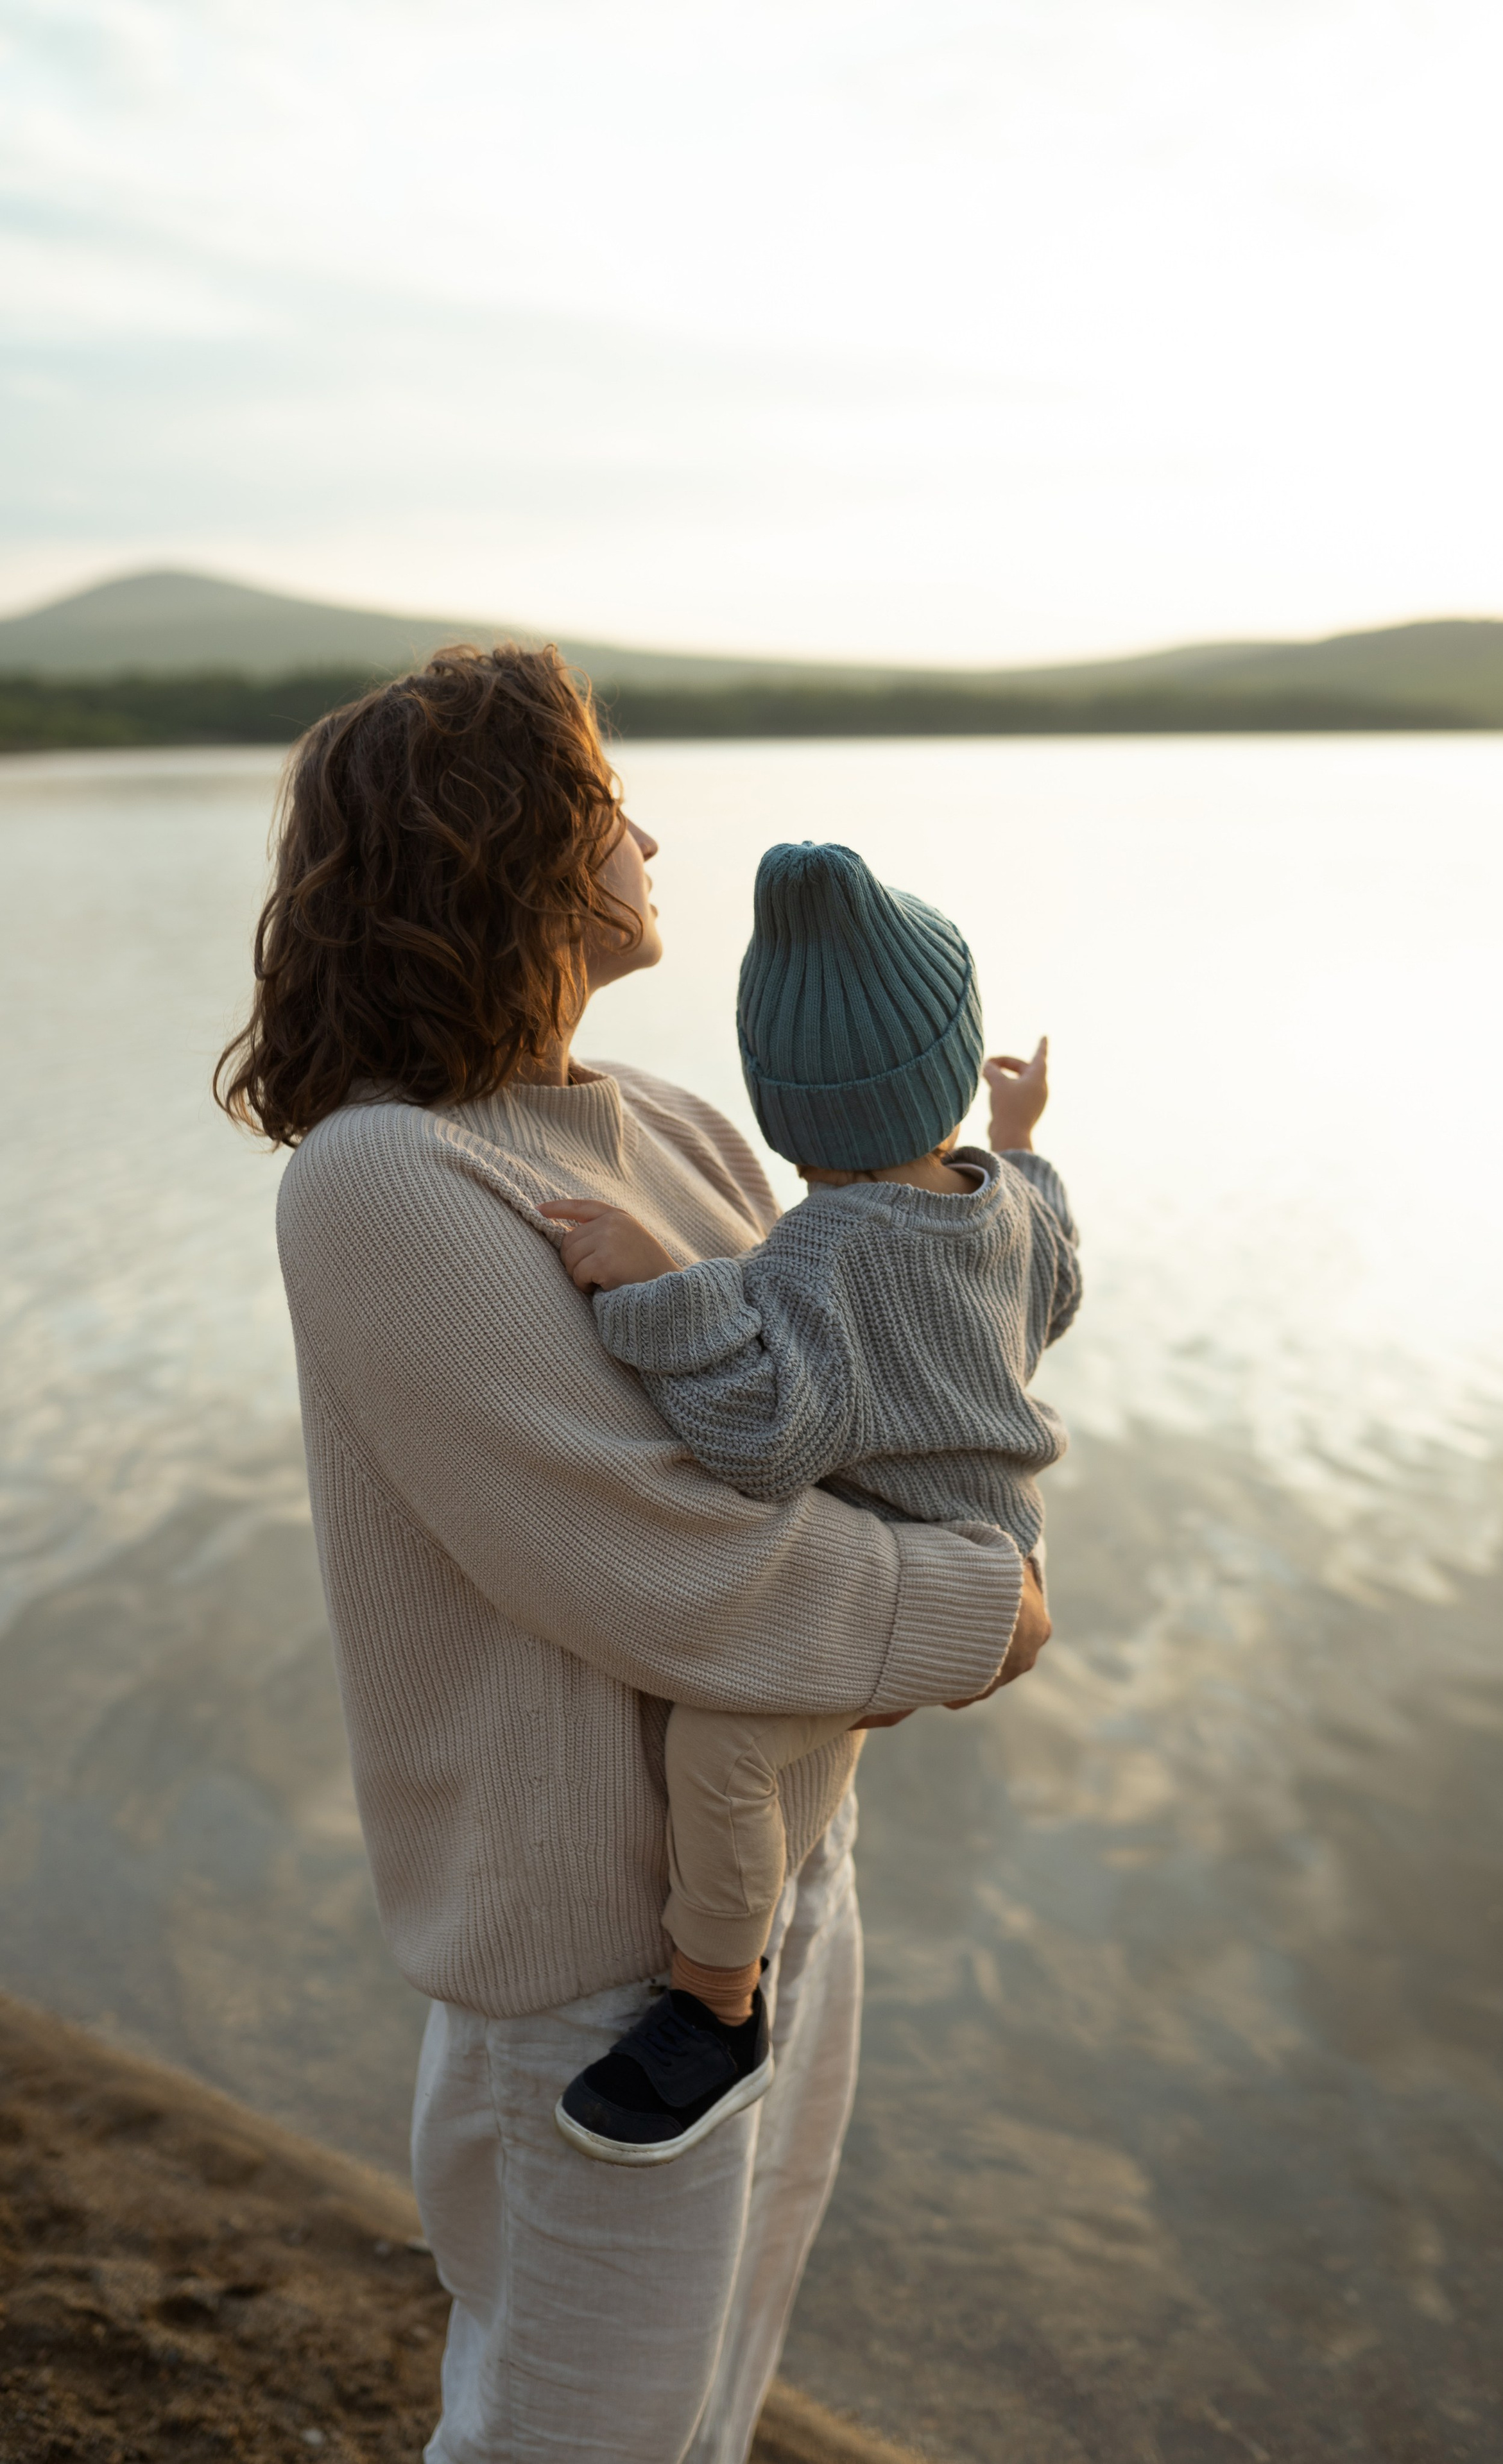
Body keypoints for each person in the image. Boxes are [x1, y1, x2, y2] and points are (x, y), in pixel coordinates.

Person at [215, 642, 1051, 2464]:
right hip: (605, 1960)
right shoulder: (386, 1181)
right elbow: (667, 1565)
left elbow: (840, 1433)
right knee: (571, 2437)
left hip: (780, 1884)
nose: (648, 837)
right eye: (604, 807)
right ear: (506, 850)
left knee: (717, 2399)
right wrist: (986, 1607)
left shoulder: (663, 1125)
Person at [538, 841, 1080, 2167]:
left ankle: (715, 2007)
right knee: (775, 1740)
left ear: (784, 1120)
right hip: (1002, 1541)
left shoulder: (822, 1255)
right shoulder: (997, 1205)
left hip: (913, 1572)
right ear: (948, 1072)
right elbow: (1057, 1281)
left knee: (716, 1751)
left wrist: (658, 1285)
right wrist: (1018, 1142)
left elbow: (767, 1436)